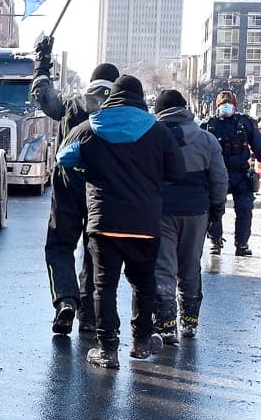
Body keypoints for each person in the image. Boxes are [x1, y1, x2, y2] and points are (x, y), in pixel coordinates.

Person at [55, 75, 183, 368]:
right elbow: (177, 172)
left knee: (105, 287)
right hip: (145, 225)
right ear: (140, 98)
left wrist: (89, 170)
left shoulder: (90, 128)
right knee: (144, 285)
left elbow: (64, 159)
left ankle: (108, 348)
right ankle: (140, 342)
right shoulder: (159, 132)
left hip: (104, 223)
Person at [32, 43, 119, 337]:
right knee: (96, 248)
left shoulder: (73, 103)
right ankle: (90, 316)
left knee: (60, 244)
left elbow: (44, 97)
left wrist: (42, 64)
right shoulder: (122, 109)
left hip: (68, 180)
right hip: (105, 188)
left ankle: (65, 301)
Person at [151, 89, 227, 341]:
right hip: (196, 211)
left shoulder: (152, 136)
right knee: (190, 265)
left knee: (163, 267)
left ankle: (166, 324)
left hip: (162, 210)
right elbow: (219, 179)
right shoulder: (207, 139)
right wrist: (216, 210)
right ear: (185, 109)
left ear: (158, 111)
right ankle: (190, 321)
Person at [204, 89, 261, 257]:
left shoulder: (244, 123)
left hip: (241, 174)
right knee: (214, 209)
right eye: (222, 104)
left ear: (235, 106)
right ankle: (215, 241)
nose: (226, 107)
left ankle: (242, 244)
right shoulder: (209, 125)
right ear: (217, 106)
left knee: (244, 210)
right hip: (218, 174)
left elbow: (258, 144)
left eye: (229, 104)